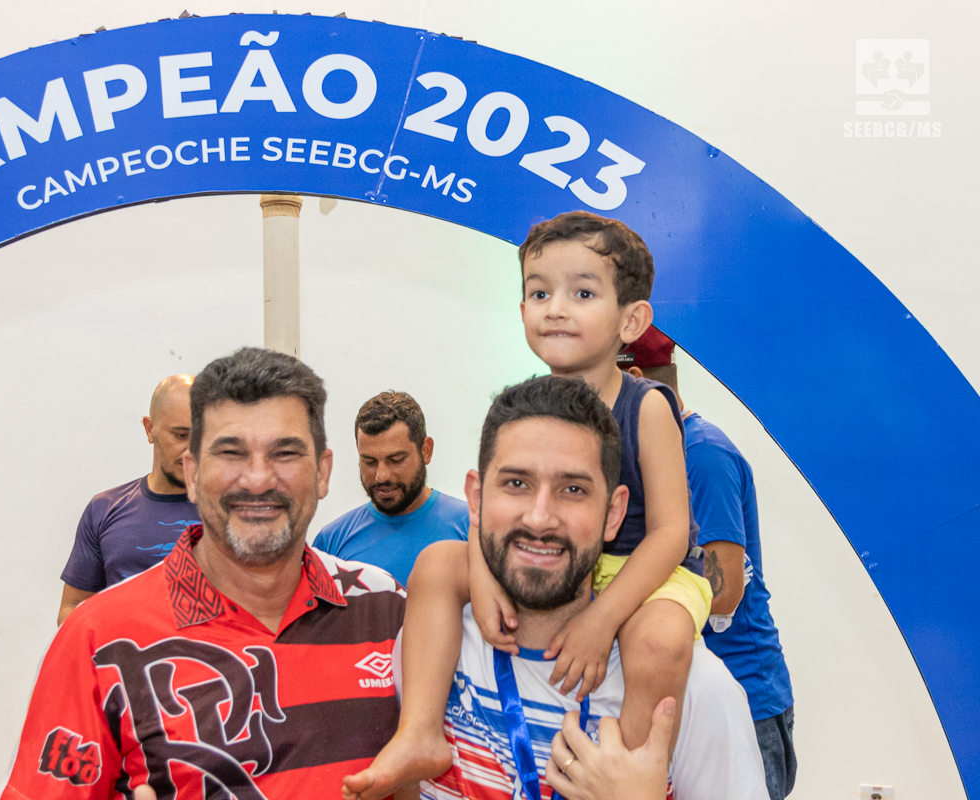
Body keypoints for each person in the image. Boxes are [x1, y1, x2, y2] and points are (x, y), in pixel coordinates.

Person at [355, 211, 713, 794]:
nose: (556, 309)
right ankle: (419, 729)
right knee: (437, 565)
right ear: (522, 309)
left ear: (631, 320)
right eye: (541, 293)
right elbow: (491, 510)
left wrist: (603, 617)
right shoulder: (526, 406)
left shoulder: (646, 406)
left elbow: (671, 533)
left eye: (583, 294)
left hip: (648, 569)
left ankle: (628, 766)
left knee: (659, 641)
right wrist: (481, 575)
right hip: (560, 560)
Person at [3, 349, 408, 799]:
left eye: (285, 453)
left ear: (322, 473)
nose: (258, 479)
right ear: (193, 474)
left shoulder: (387, 608)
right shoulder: (95, 639)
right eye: (231, 453)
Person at [345, 376, 767, 800]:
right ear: (476, 498)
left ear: (613, 513)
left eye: (573, 489)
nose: (540, 517)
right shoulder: (431, 649)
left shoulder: (692, 691)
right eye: (516, 484)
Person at [621, 327, 796, 800]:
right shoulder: (658, 453)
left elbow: (723, 592)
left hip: (742, 697)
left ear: (635, 378)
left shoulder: (702, 455)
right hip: (683, 691)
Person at [57, 374, 202, 625]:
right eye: (180, 435)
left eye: (201, 436)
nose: (192, 450)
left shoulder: (231, 511)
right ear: (150, 429)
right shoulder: (104, 510)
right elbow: (72, 609)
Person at [314, 391, 469, 585]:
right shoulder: (331, 542)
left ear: (426, 451)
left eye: (396, 460)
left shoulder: (471, 529)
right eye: (370, 462)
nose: (381, 476)